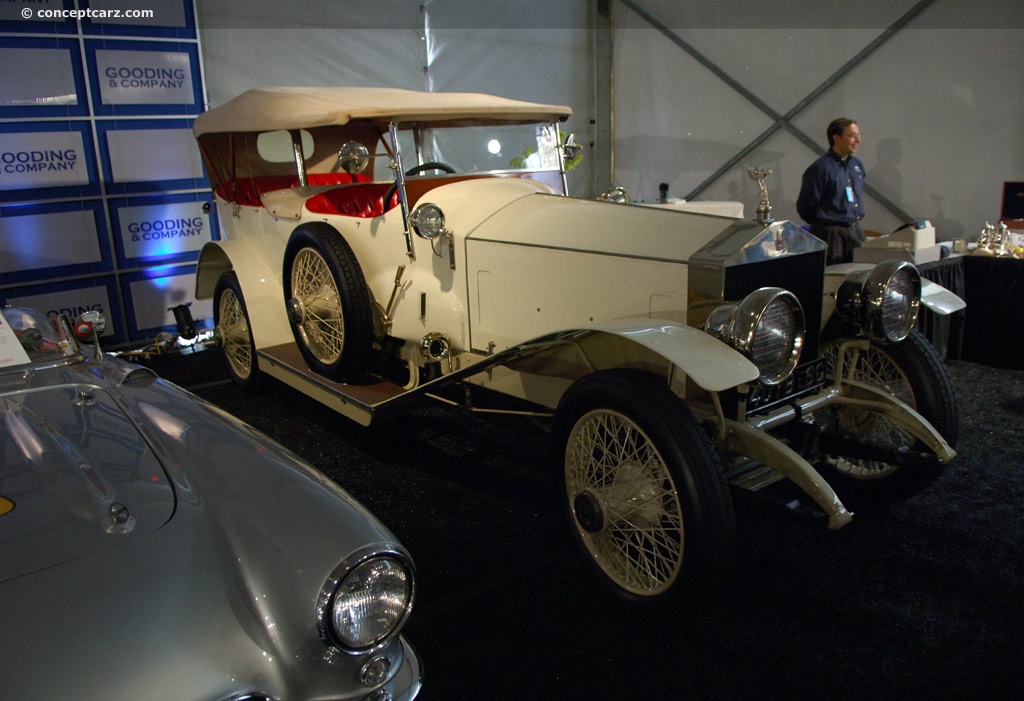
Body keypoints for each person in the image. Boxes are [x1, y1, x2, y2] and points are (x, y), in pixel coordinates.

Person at [797, 118, 866, 264]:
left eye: (858, 135)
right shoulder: (820, 169)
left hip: (854, 230)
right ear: (836, 138)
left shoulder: (856, 165)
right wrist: (825, 224)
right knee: (834, 275)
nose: (857, 140)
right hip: (831, 233)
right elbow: (805, 206)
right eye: (852, 135)